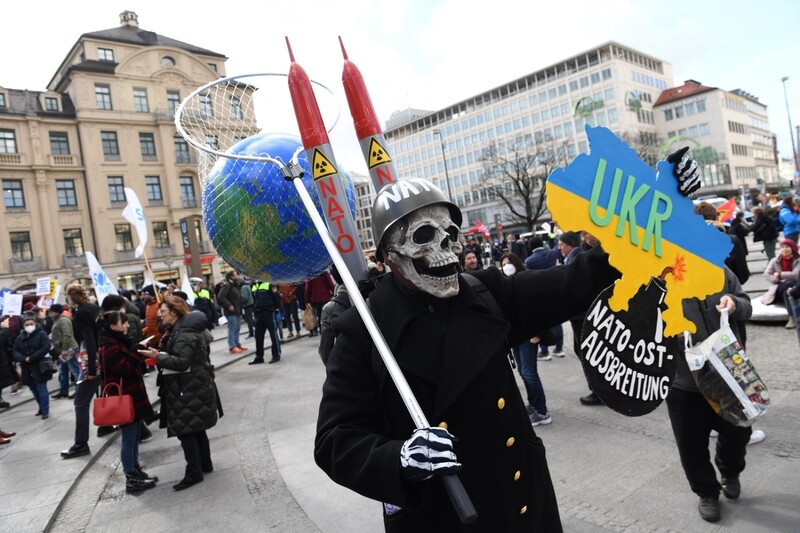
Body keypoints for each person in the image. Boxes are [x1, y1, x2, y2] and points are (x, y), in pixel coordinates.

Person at [315, 177, 621, 531]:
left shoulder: (485, 293)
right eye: (423, 236)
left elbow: (576, 281)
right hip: (444, 516)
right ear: (388, 255)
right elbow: (335, 440)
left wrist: (655, 213)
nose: (446, 249)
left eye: (450, 234)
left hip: (522, 505)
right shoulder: (363, 332)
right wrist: (399, 458)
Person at [667, 267, 752, 522]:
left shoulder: (718, 269)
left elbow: (747, 306)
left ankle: (730, 471)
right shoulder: (656, 277)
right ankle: (707, 492)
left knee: (739, 431)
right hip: (683, 378)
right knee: (690, 444)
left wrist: (735, 303)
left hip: (730, 371)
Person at [138, 296, 222, 491]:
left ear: (174, 313)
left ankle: (194, 472)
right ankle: (204, 464)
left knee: (186, 430)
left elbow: (182, 362)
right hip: (191, 384)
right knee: (196, 427)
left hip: (187, 386)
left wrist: (157, 356)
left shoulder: (184, 333)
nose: (160, 315)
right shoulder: (182, 329)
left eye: (163, 312)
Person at [96, 310, 158, 494]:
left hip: (133, 396)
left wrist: (136, 348)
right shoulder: (109, 347)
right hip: (125, 398)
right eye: (123, 322)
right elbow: (125, 368)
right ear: (113, 326)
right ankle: (131, 477)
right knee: (129, 440)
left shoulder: (117, 343)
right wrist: (138, 352)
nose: (127, 325)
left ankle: (137, 471)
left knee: (134, 437)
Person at [501, 252, 552, 426]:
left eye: (508, 263)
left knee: (530, 373)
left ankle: (542, 411)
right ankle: (534, 404)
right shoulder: (505, 285)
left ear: (516, 264)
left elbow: (538, 310)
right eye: (502, 264)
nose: (505, 267)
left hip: (528, 336)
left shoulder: (525, 282)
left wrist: (537, 333)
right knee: (523, 372)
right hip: (515, 336)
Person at [60, 284, 103, 458]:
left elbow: (89, 340)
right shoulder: (94, 308)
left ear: (71, 297)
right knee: (111, 393)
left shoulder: (81, 313)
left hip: (92, 359)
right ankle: (140, 430)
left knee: (81, 402)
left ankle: (81, 444)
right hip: (105, 354)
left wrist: (91, 367)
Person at [12, 314, 53, 419]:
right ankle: (41, 407)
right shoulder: (19, 338)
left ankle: (45, 410)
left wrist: (33, 357)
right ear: (23, 326)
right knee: (34, 389)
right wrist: (23, 358)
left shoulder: (41, 334)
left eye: (31, 324)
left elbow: (46, 347)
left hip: (40, 366)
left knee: (41, 388)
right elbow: (15, 351)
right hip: (27, 367)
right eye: (27, 324)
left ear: (35, 324)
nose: (29, 326)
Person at [760, 239, 800, 328]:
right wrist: (777, 280)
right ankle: (793, 316)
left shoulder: (798, 260)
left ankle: (792, 317)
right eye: (782, 247)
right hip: (778, 287)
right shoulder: (775, 260)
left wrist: (779, 275)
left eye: (787, 247)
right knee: (787, 285)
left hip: (793, 288)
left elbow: (795, 275)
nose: (784, 249)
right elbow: (766, 274)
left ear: (792, 249)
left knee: (787, 288)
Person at [50, 304, 79, 400]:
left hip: (68, 349)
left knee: (75, 370)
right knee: (63, 371)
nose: (50, 313)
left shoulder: (63, 320)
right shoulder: (58, 320)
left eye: (52, 311)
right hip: (63, 350)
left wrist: (64, 349)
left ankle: (79, 390)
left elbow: (67, 335)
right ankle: (63, 391)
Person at [249, 280, 282, 365]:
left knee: (273, 334)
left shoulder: (269, 284)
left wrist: (279, 310)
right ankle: (259, 357)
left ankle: (276, 355)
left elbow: (277, 297)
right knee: (258, 336)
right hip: (258, 314)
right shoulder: (254, 286)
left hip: (269, 312)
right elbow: (253, 300)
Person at [217, 270, 246, 354]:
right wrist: (229, 305)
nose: (237, 277)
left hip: (237, 309)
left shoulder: (235, 285)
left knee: (237, 328)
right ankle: (232, 346)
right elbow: (221, 297)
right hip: (230, 311)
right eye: (235, 275)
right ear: (231, 277)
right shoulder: (227, 285)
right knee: (232, 328)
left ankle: (237, 344)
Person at [305, 272, 334, 337]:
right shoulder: (324, 273)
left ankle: (322, 334)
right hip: (326, 298)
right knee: (327, 317)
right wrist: (334, 293)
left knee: (319, 317)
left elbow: (307, 288)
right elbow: (331, 284)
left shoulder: (311, 274)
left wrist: (307, 300)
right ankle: (329, 333)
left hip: (315, 300)